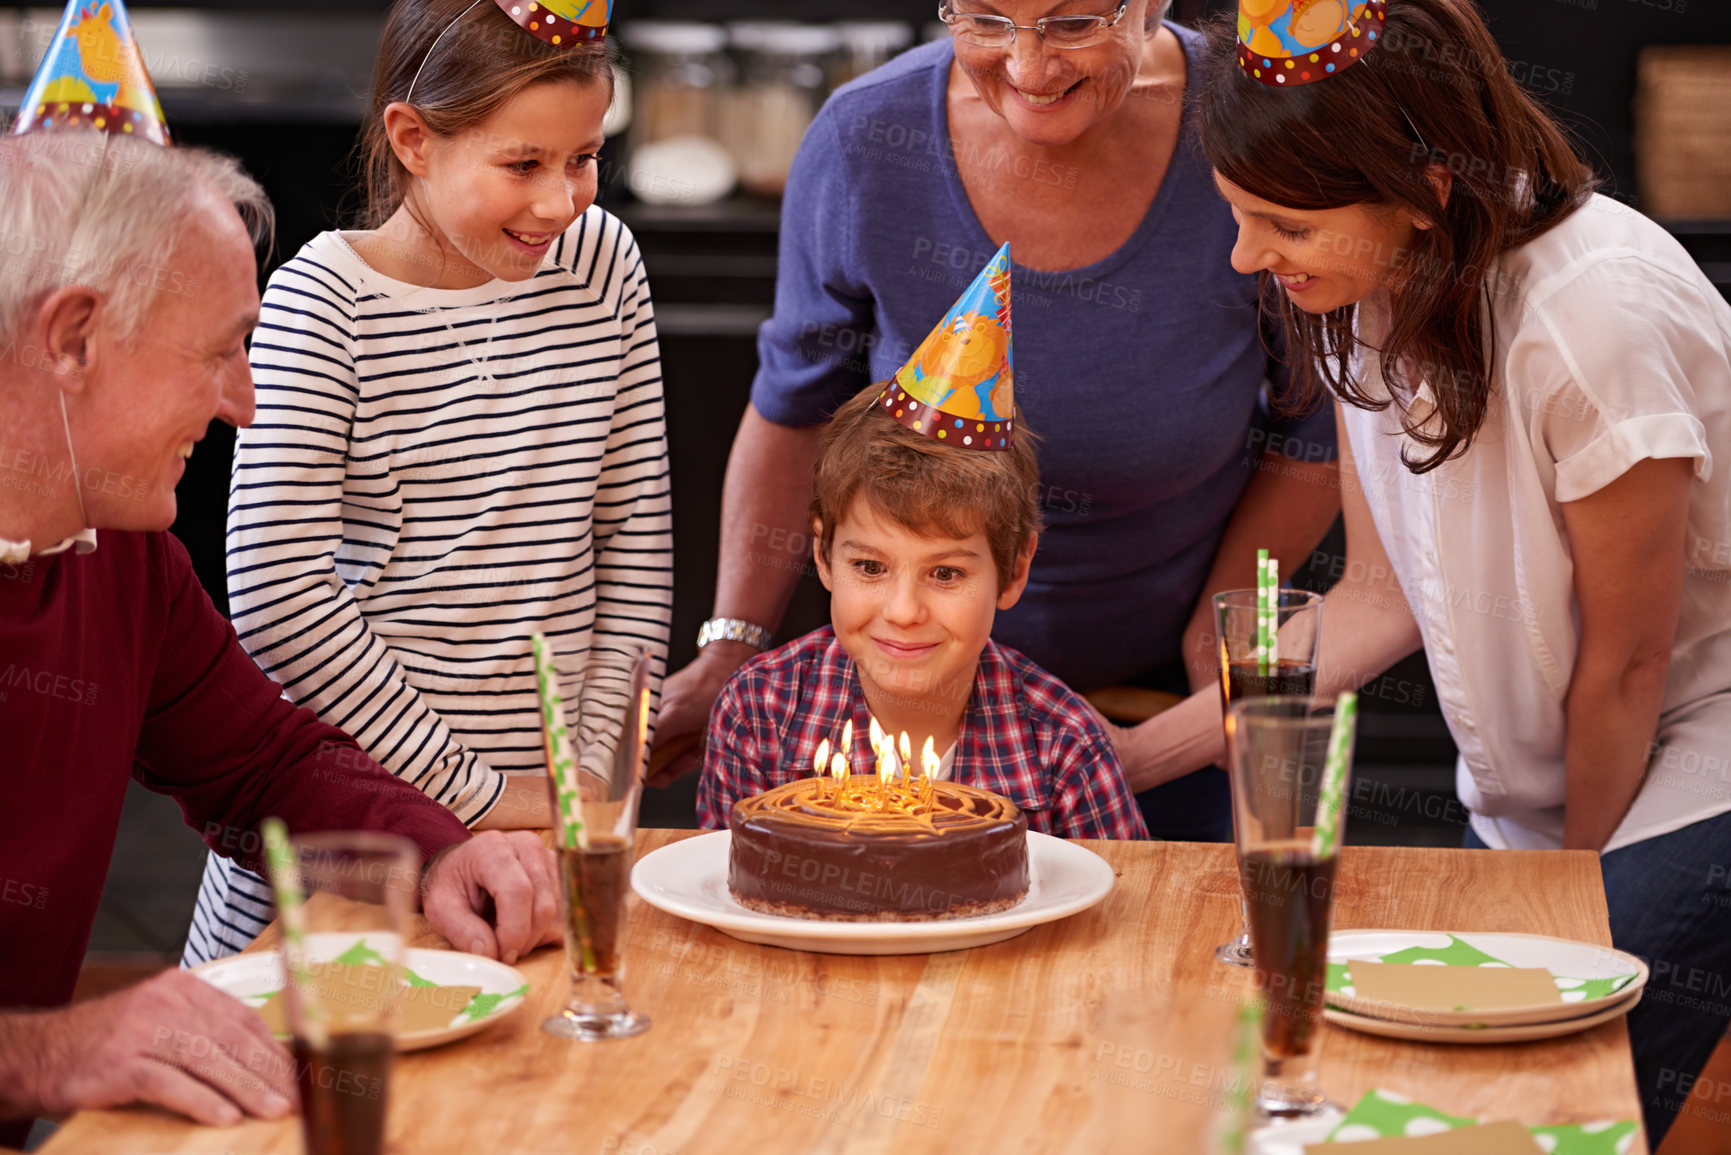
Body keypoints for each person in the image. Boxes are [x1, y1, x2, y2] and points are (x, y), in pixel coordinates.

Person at [1167, 0, 1730, 1140]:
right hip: (1538, 791)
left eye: (1283, 222)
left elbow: (1624, 668)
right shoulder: (1372, 289)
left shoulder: (1592, 317)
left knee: (1543, 1095)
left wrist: (1557, 926)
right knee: (1385, 1080)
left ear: (1426, 187)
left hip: (1691, 764)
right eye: (1236, 216)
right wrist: (1133, 752)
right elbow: (1377, 598)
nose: (1246, 257)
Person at [654, 0, 1342, 843]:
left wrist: (1218, 637)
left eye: (1071, 24)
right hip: (899, 707)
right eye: (982, 20)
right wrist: (732, 642)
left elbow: (1312, 432)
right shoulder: (865, 136)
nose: (1027, 68)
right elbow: (793, 405)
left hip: (1171, 706)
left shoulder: (1254, 125)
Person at [0, 125, 563, 1143]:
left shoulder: (115, 549)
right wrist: (52, 1051)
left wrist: (439, 852)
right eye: (219, 351)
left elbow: (260, 764)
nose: (245, 404)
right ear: (72, 337)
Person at [184, 0, 672, 965]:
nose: (561, 201)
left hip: (546, 824)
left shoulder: (605, 263)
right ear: (412, 138)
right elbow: (280, 600)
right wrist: (476, 796)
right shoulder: (324, 304)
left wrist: (593, 775)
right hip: (372, 828)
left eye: (583, 157)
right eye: (522, 164)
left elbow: (635, 539)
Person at [698, 253, 1147, 841]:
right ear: (823, 555)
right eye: (869, 566)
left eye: (946, 575)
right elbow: (720, 891)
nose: (904, 611)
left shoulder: (1064, 744)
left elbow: (1116, 915)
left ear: (1013, 571)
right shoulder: (758, 713)